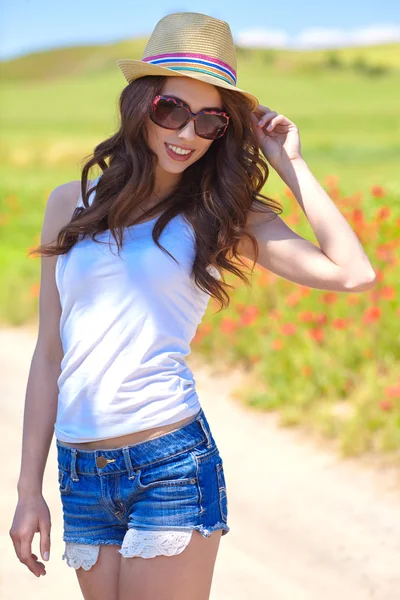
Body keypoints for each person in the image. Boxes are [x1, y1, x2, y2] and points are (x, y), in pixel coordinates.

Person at [9, 11, 377, 600]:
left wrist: (290, 162)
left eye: (208, 121)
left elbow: (354, 275)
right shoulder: (69, 205)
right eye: (171, 111)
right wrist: (30, 491)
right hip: (80, 472)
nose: (187, 133)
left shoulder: (221, 215)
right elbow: (49, 352)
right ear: (141, 107)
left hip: (169, 466)